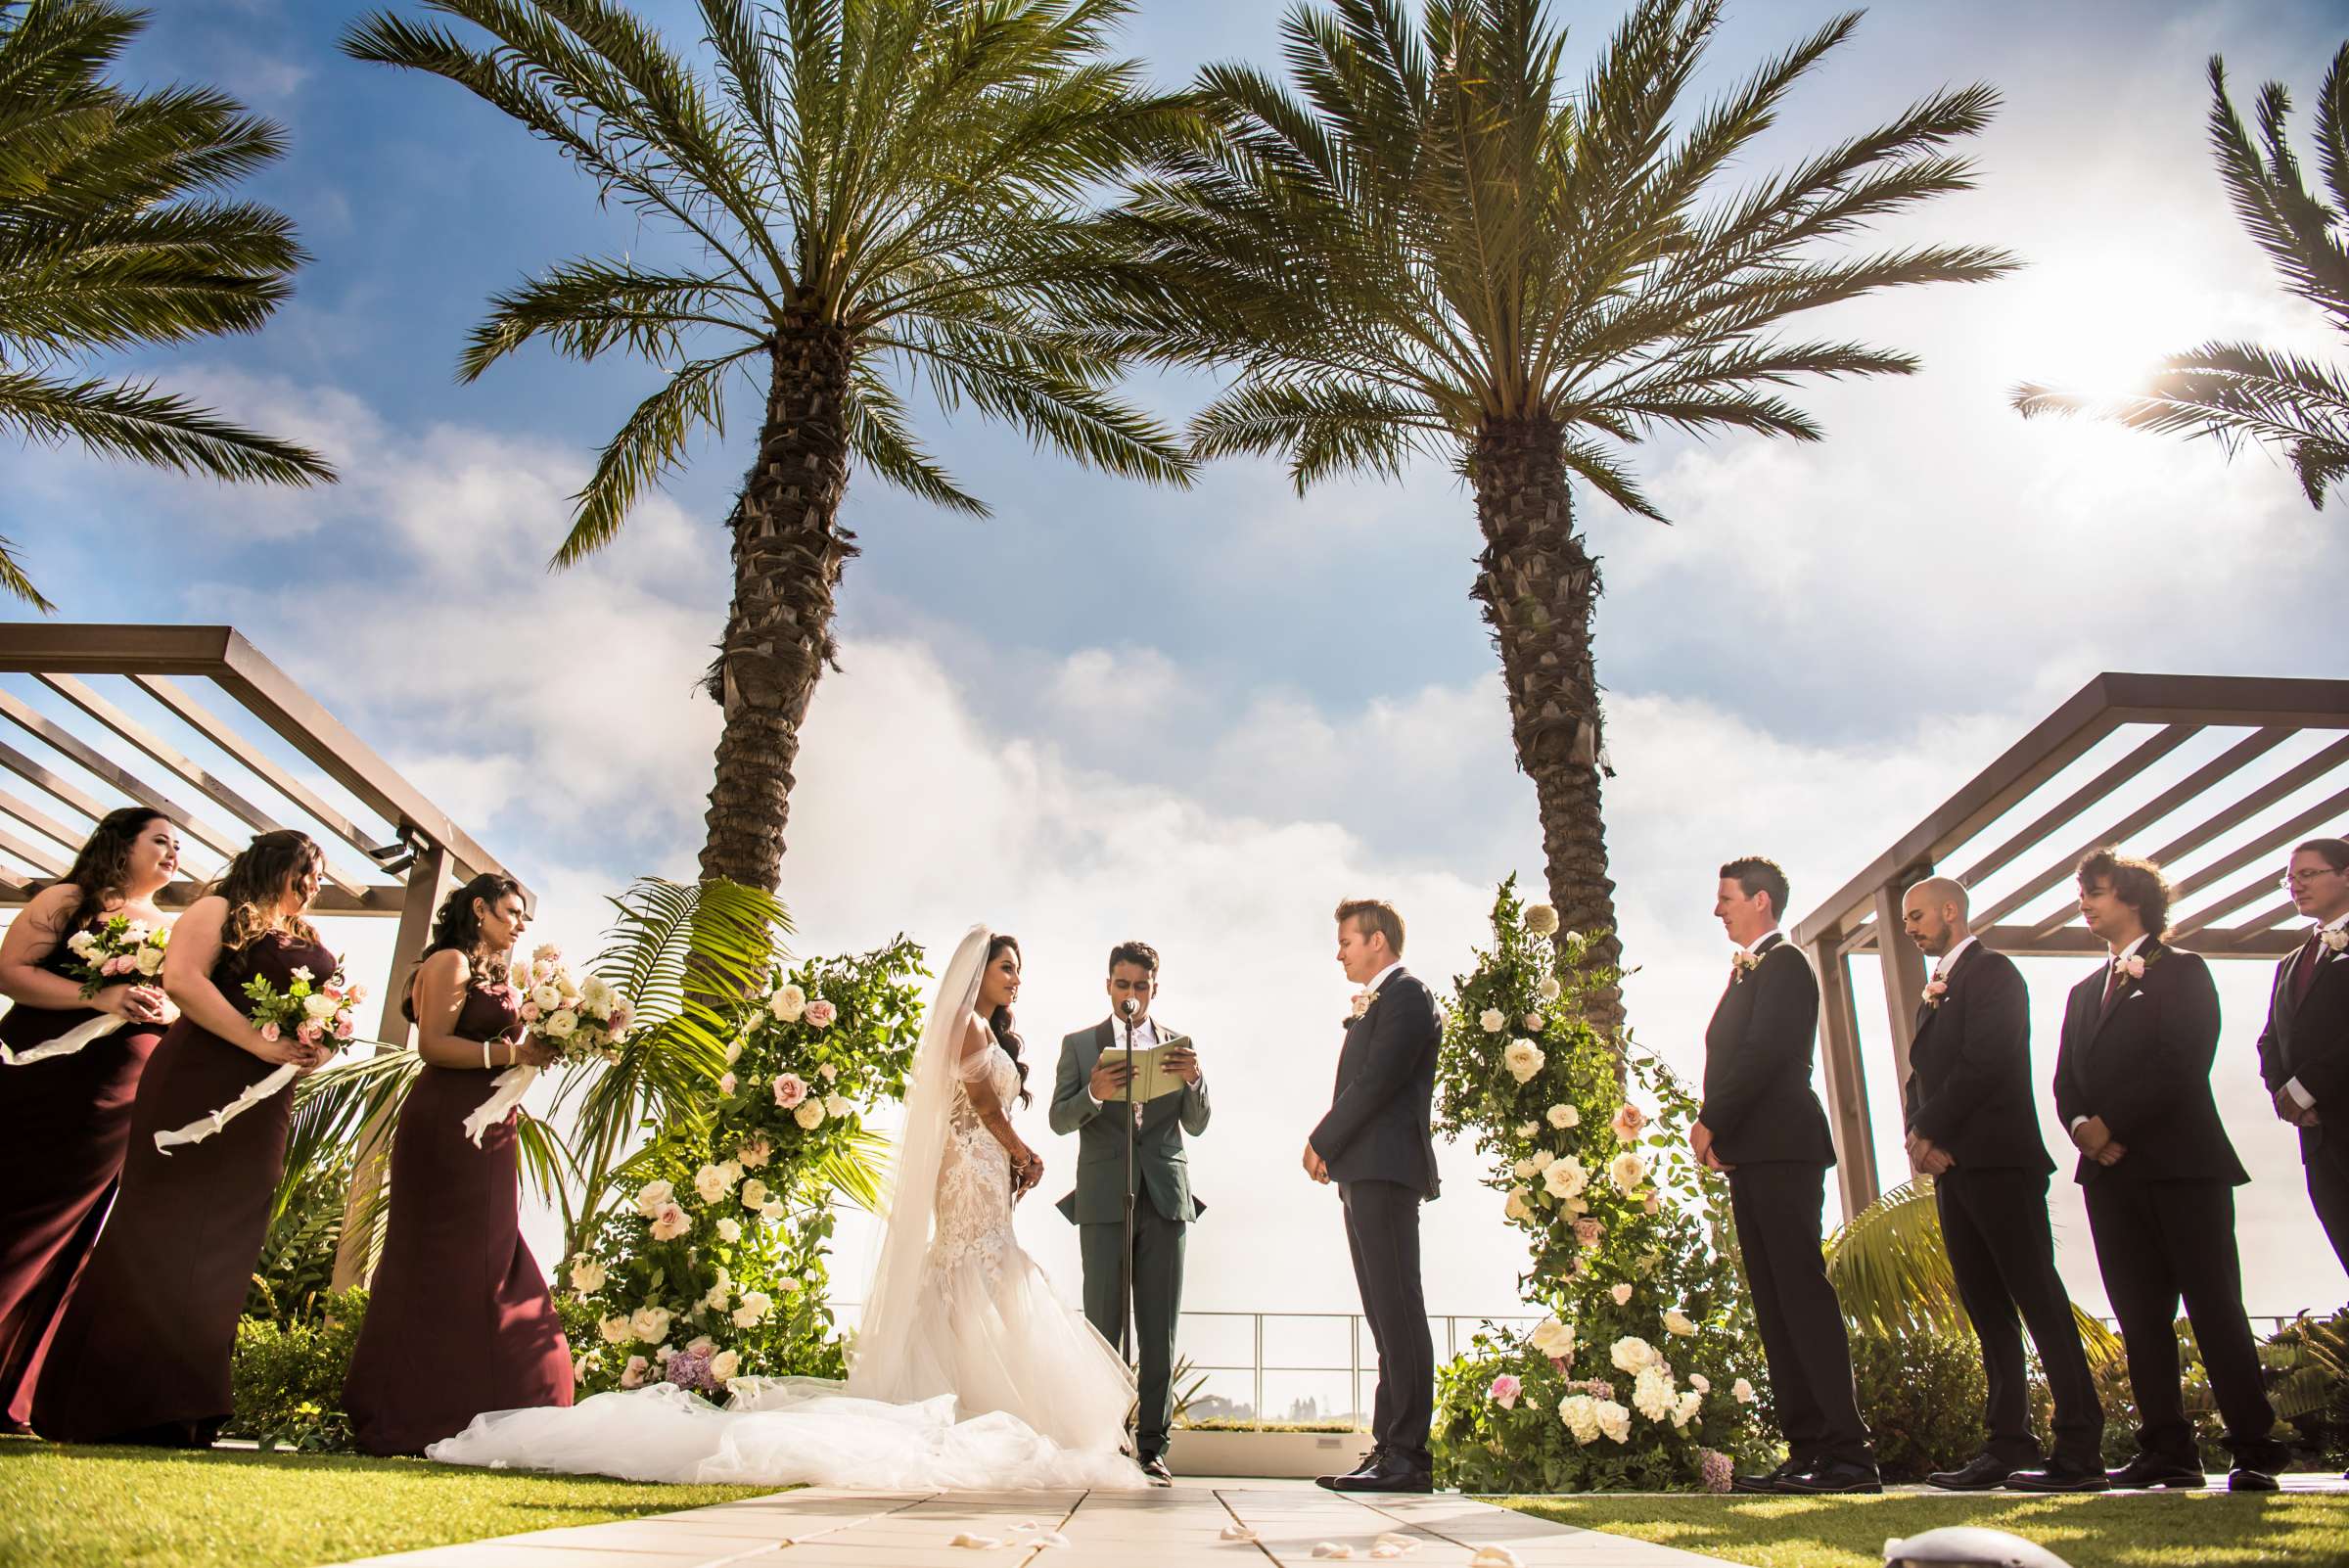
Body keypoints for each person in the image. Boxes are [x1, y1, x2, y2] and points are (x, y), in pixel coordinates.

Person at [424, 926, 1145, 1490]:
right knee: (970, 1264)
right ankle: (973, 1402)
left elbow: (993, 1104)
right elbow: (984, 1104)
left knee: (985, 1266)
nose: (1014, 978)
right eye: (1005, 966)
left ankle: (987, 1397)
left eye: (1016, 969)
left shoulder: (996, 1032)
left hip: (988, 1169)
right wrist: (1022, 1150)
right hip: (972, 1164)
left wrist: (1013, 1159)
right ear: (977, 971)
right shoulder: (965, 1027)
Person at [33, 830, 337, 1445]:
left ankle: (186, 1403)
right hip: (197, 1082)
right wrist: (255, 1041)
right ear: (281, 866)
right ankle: (116, 1401)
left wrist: (317, 1043)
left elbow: (313, 1010)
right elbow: (184, 983)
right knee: (161, 1231)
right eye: (311, 871)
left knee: (229, 1239)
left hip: (264, 1098)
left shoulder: (307, 937)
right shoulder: (217, 908)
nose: (317, 884)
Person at [2055, 847, 2287, 1491]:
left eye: (2094, 892)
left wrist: (2114, 1127)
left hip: (2183, 1168)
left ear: (2132, 898)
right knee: (2138, 1315)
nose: (2084, 903)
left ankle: (2252, 1446)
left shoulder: (2183, 971)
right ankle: (2168, 1449)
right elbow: (2064, 1080)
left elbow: (2183, 1060)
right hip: (2109, 1176)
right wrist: (2083, 1130)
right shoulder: (2080, 993)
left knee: (2214, 1307)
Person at [343, 874, 574, 1453]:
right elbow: (434, 1045)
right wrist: (513, 1052)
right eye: (513, 912)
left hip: (493, 1121)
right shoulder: (447, 961)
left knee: (489, 1247)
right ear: (480, 909)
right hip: (446, 1122)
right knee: (442, 1253)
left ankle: (491, 1395)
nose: (521, 924)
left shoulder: (498, 975)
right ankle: (423, 1407)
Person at [1898, 876, 2104, 1493]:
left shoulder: (1995, 975)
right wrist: (1917, 1133)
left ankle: (2080, 1446)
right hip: (1954, 1170)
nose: (1910, 929)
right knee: (1986, 1308)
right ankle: (2007, 1443)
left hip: (2001, 1163)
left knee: (2037, 1298)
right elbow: (1921, 1075)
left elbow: (1985, 1062)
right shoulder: (1934, 992)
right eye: (1906, 920)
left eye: (1916, 917)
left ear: (1951, 912)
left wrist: (1931, 1129)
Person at [1694, 856, 1878, 1495]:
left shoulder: (1787, 964)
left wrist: (1710, 1121)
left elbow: (1765, 1052)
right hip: (1753, 1154)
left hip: (1785, 1149)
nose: (1718, 909)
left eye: (1726, 898)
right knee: (1773, 1305)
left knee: (1801, 1295)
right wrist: (1726, 1137)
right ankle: (1806, 1449)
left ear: (1761, 901)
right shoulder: (1748, 971)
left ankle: (1848, 1454)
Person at [0, 807, 179, 1430]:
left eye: (176, 844)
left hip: (118, 1096)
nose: (172, 852)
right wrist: (97, 995)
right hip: (43, 1081)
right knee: (17, 1216)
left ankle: (15, 1391)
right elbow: (11, 972)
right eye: (159, 840)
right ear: (120, 845)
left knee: (76, 1236)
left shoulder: (167, 927)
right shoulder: (68, 898)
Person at [1049, 939, 1209, 1483]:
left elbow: (1198, 1123)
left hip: (1165, 1197)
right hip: (1101, 1199)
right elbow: (1058, 1120)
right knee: (1102, 1323)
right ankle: (1104, 1439)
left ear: (1153, 990)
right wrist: (1093, 1093)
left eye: (1141, 986)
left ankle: (1152, 1447)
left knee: (1159, 1327)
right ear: (1109, 986)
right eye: (1123, 984)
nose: (1132, 994)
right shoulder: (1078, 1046)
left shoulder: (1176, 1045)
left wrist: (1195, 1080)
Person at [1306, 898, 1440, 1495]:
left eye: (1347, 941)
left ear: (1378, 941)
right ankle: (1389, 1446)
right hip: (1363, 1172)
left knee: (1399, 1308)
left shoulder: (1408, 996)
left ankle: (1408, 1455)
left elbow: (1379, 1081)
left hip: (1386, 1171)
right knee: (1382, 1313)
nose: (1339, 952)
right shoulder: (1377, 1004)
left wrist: (1323, 1137)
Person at [2255, 837, 2349, 1277]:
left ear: (2346, 874)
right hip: (2316, 1138)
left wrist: (2307, 1086)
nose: (2296, 886)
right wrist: (2283, 1093)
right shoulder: (2292, 960)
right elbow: (2270, 1039)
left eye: (2308, 874)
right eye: (2289, 879)